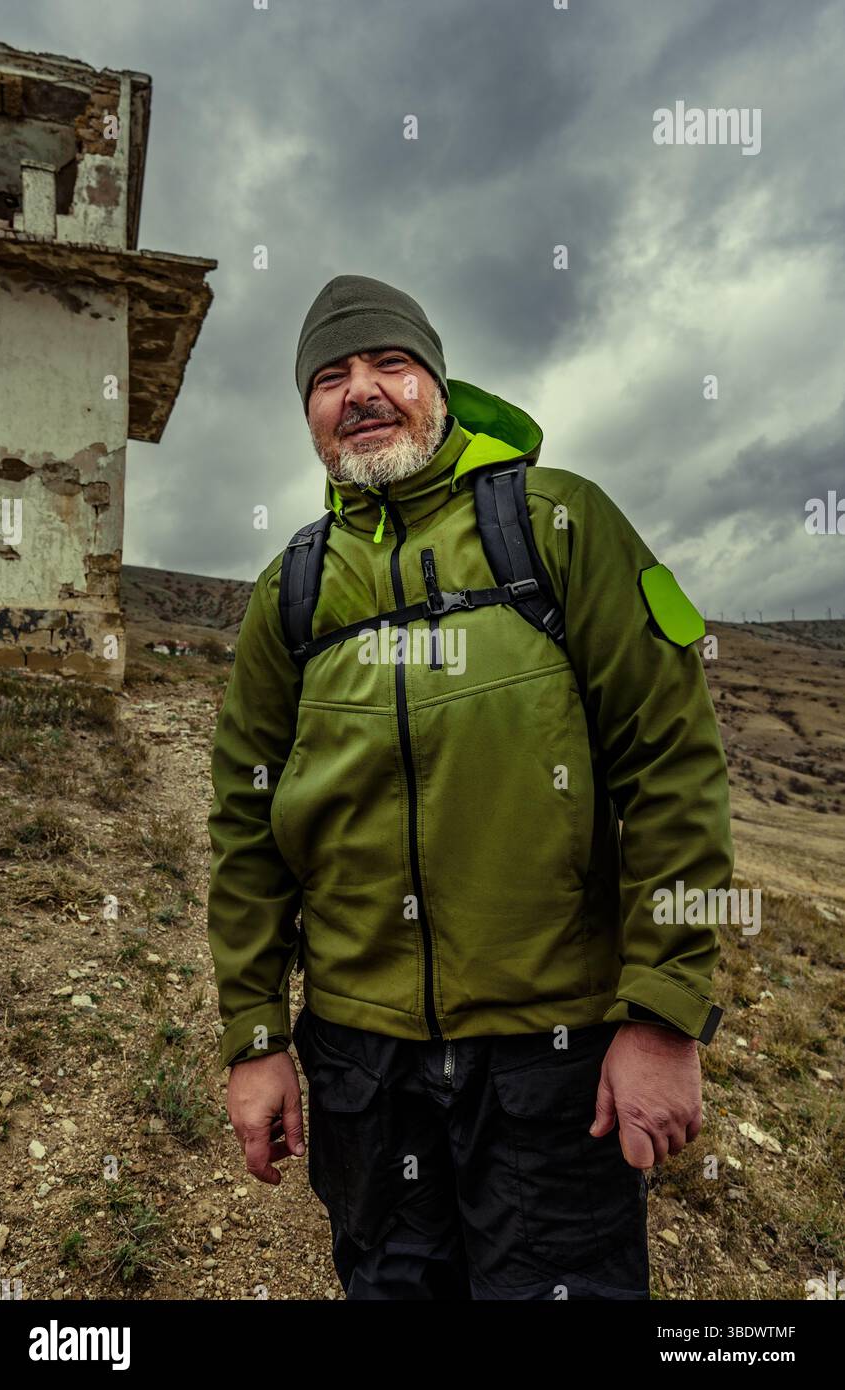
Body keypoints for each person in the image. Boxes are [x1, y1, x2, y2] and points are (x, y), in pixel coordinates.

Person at [206, 273, 734, 1300]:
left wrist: (664, 1016)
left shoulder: (557, 527)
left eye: (388, 364)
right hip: (363, 1069)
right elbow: (245, 823)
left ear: (437, 386)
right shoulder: (292, 590)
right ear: (308, 412)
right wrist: (255, 1037)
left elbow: (669, 770)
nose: (360, 390)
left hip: (550, 1060)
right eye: (329, 376)